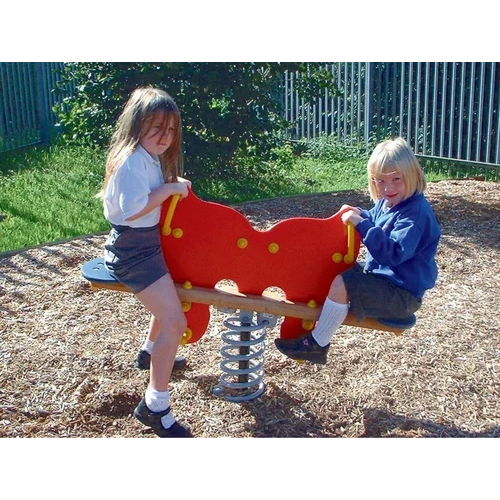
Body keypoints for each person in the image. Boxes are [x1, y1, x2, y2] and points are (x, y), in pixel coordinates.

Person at [275, 137, 441, 365]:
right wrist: (358, 212)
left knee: (345, 283)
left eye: (396, 179)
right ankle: (312, 305)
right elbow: (373, 218)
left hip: (402, 297)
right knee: (336, 268)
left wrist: (361, 224)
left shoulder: (415, 215)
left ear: (412, 175)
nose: (388, 188)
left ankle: (316, 345)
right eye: (380, 181)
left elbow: (392, 253)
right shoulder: (390, 202)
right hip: (386, 282)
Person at [100, 87, 192, 437]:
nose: (165, 137)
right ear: (138, 125)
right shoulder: (131, 162)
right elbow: (133, 208)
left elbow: (149, 195)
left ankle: (149, 352)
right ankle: (155, 405)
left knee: (175, 291)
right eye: (157, 128)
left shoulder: (145, 157)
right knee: (175, 320)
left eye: (171, 131)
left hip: (146, 246)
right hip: (131, 252)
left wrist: (171, 183)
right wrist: (168, 191)